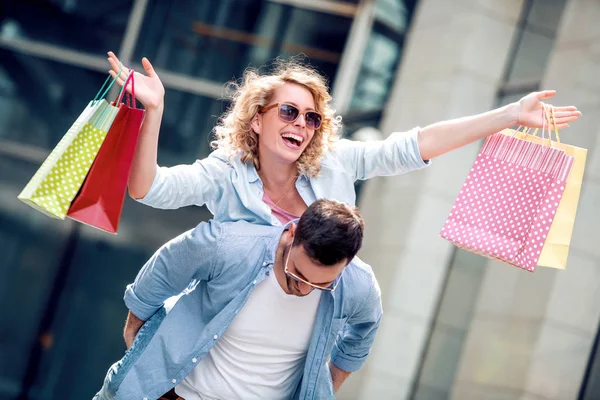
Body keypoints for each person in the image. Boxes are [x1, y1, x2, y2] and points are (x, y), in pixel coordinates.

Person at [106, 52, 582, 226]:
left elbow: (416, 145)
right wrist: (156, 111)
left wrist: (509, 114)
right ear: (256, 119)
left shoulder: (336, 162)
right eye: (289, 112)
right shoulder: (226, 174)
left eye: (312, 118)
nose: (301, 125)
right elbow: (148, 189)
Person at [93, 199, 381, 400]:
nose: (305, 290)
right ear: (292, 233)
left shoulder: (358, 286)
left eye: (322, 284)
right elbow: (166, 269)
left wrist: (327, 385)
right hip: (172, 393)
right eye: (299, 275)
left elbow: (365, 329)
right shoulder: (231, 245)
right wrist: (135, 330)